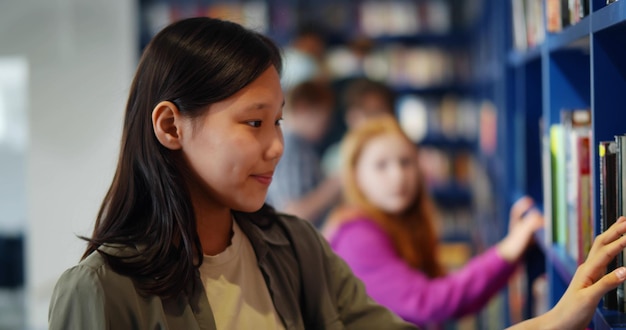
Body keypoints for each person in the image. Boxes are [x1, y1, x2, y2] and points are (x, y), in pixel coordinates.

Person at [47, 16, 626, 330]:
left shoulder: (294, 248)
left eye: (279, 122)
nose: (275, 147)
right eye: (253, 124)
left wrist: (555, 319)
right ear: (170, 127)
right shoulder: (101, 293)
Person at [321, 115, 617, 328]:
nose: (398, 175)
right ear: (356, 175)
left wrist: (508, 253)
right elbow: (428, 302)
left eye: (405, 162)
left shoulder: (397, 225)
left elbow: (455, 303)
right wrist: (505, 252)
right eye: (381, 165)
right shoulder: (355, 235)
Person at [266, 80, 341, 226]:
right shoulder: (292, 145)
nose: (327, 125)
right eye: (323, 116)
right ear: (303, 109)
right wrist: (332, 187)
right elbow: (292, 213)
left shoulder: (299, 145)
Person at [322, 77, 397, 175]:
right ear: (351, 117)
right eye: (369, 113)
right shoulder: (335, 159)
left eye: (380, 112)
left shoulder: (404, 151)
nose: (375, 121)